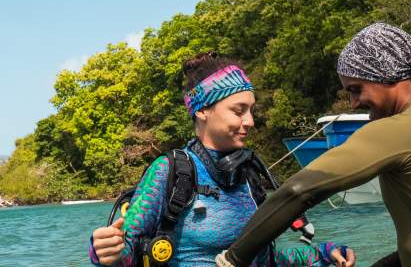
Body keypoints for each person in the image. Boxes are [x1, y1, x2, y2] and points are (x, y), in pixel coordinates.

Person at [215, 23, 411, 267]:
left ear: (386, 75)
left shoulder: (401, 129)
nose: (353, 103)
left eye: (356, 89)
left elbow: (298, 192)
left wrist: (233, 259)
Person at [89, 52, 355, 266]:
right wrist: (104, 252)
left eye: (251, 110)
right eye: (239, 111)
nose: (250, 121)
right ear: (203, 110)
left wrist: (322, 254)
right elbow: (127, 252)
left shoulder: (249, 173)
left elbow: (265, 259)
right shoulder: (170, 172)